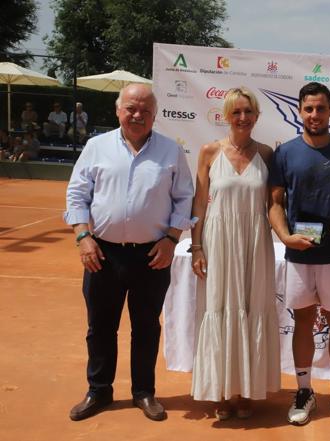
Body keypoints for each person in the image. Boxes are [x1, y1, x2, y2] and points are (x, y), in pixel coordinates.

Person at [64, 83, 195, 422]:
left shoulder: (170, 151)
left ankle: (144, 392)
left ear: (155, 114)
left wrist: (170, 239)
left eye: (145, 110)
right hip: (102, 254)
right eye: (131, 108)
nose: (137, 115)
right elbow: (77, 194)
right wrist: (83, 236)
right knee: (100, 326)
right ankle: (99, 390)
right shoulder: (96, 147)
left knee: (147, 326)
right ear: (117, 109)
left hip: (152, 255)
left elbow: (184, 198)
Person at [268, 82, 330, 428]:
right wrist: (284, 236)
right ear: (299, 111)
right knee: (302, 322)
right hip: (298, 253)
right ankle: (304, 391)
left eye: (320, 108)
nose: (314, 115)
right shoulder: (284, 154)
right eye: (308, 109)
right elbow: (275, 203)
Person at [190, 87, 280, 420]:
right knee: (219, 308)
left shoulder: (269, 154)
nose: (243, 118)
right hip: (218, 240)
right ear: (226, 116)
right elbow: (199, 202)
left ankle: (245, 391)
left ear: (257, 116)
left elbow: (274, 205)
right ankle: (221, 392)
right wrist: (196, 246)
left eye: (248, 112)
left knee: (251, 307)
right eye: (236, 112)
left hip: (255, 242)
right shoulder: (209, 152)